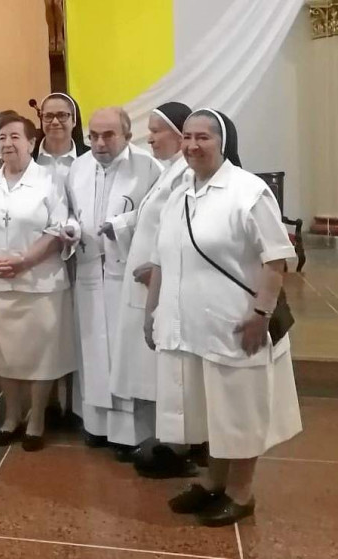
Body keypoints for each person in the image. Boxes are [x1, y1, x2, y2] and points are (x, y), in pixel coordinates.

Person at [145, 109, 302, 526]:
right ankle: (214, 482)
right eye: (187, 137)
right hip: (188, 328)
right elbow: (162, 258)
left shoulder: (248, 191)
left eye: (203, 137)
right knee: (209, 412)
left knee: (239, 412)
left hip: (235, 326)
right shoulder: (179, 194)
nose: (192, 145)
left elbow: (276, 259)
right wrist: (152, 312)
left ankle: (241, 493)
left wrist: (260, 314)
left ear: (223, 142)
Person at [0, 111, 76, 451]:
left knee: (41, 354)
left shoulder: (50, 180)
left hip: (40, 284)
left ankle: (37, 418)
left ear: (31, 142)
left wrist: (25, 260)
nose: (7, 143)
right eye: (2, 137)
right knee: (6, 356)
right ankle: (11, 416)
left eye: (15, 136)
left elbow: (58, 229)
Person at [106, 102, 198, 477]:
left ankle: (177, 445)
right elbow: (150, 216)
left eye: (157, 130)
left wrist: (161, 267)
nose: (150, 138)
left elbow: (183, 229)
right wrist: (119, 224)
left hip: (159, 284)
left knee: (165, 368)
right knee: (149, 365)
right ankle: (163, 439)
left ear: (178, 133)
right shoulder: (168, 171)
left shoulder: (185, 174)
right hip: (147, 282)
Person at [65, 106, 162, 458]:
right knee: (92, 345)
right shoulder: (78, 167)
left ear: (127, 136)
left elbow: (155, 214)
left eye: (108, 135)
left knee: (125, 351)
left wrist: (119, 225)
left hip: (126, 274)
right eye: (93, 136)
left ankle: (129, 433)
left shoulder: (149, 167)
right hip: (90, 270)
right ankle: (96, 426)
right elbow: (71, 211)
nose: (99, 143)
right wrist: (71, 227)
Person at [32, 92, 89, 425]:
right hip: (37, 258)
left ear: (74, 120)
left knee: (76, 325)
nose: (55, 122)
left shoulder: (88, 159)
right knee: (45, 329)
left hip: (78, 255)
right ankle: (47, 401)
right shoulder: (29, 158)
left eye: (62, 115)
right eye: (48, 116)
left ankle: (76, 403)